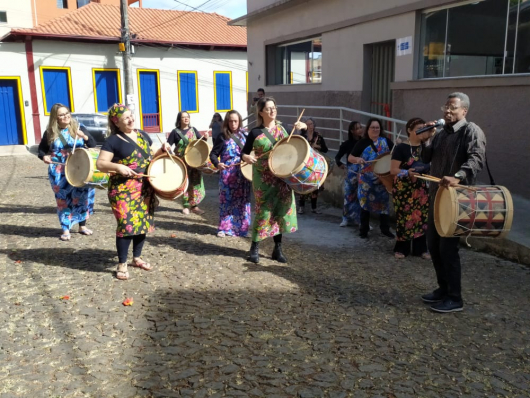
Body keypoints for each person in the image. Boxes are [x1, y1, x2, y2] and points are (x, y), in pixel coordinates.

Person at [420, 92, 486, 313]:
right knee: (433, 246)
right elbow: (426, 159)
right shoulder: (440, 134)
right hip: (436, 196)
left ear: (464, 111)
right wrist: (427, 138)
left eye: (453, 108)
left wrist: (457, 176)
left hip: (457, 200)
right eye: (446, 107)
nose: (447, 111)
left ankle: (455, 297)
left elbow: (476, 159)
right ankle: (443, 289)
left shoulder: (471, 131)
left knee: (448, 249)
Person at [96, 103, 168, 280]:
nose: (131, 119)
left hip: (144, 188)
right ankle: (122, 263)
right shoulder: (113, 140)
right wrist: (118, 166)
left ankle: (137, 257)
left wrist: (162, 150)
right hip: (122, 190)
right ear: (116, 121)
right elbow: (100, 164)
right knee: (127, 225)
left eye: (131, 115)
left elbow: (150, 158)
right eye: (126, 117)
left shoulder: (143, 135)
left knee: (142, 224)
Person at [241, 97, 305, 264]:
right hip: (263, 178)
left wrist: (302, 129)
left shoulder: (283, 130)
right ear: (261, 112)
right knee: (263, 211)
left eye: (274, 107)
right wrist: (246, 157)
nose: (272, 110)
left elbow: (292, 148)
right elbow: (244, 153)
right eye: (268, 108)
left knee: (279, 211)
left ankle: (277, 249)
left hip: (281, 177)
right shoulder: (255, 132)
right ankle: (254, 247)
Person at [38, 103, 97, 241]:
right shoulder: (50, 132)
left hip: (80, 168)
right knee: (63, 200)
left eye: (67, 113)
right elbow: (41, 150)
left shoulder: (79, 127)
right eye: (61, 115)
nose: (65, 116)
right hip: (59, 170)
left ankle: (82, 226)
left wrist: (84, 136)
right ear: (55, 118)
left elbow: (93, 145)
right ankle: (65, 228)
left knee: (82, 197)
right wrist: (44, 157)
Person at [390, 117, 431, 260]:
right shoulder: (402, 147)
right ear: (409, 131)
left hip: (421, 188)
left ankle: (420, 249)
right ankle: (402, 248)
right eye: (419, 129)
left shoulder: (425, 147)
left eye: (424, 129)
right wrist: (407, 172)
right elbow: (393, 170)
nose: (422, 132)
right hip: (404, 189)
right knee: (404, 218)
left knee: (421, 217)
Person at [348, 118, 394, 239]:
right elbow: (350, 157)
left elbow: (395, 155)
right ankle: (364, 230)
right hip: (366, 180)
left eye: (377, 127)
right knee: (364, 205)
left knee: (384, 206)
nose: (375, 129)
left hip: (382, 180)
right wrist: (358, 160)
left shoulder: (386, 141)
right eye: (372, 127)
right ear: (368, 129)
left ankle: (385, 229)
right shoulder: (362, 143)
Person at [210, 110, 252, 238]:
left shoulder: (245, 135)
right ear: (227, 122)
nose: (233, 123)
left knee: (242, 201)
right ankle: (224, 227)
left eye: (235, 121)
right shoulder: (222, 136)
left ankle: (242, 228)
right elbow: (213, 154)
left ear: (239, 121)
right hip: (227, 175)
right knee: (226, 201)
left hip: (243, 174)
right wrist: (217, 164)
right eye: (231, 121)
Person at [167, 111, 209, 215]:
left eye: (187, 117)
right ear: (179, 120)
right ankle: (186, 205)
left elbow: (200, 142)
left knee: (195, 183)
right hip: (182, 162)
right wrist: (171, 153)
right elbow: (168, 145)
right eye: (183, 117)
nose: (186, 119)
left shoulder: (193, 130)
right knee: (185, 183)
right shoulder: (175, 132)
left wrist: (205, 138)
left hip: (194, 162)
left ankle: (194, 206)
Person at [297, 117, 328, 214]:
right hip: (304, 163)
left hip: (315, 163)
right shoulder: (302, 136)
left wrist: (317, 146)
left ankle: (313, 207)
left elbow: (325, 149)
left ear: (314, 125)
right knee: (302, 184)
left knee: (315, 184)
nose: (310, 126)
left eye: (311, 124)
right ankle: (301, 207)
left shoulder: (318, 136)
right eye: (307, 124)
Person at [335, 121, 363, 227]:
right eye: (357, 128)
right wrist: (340, 164)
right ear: (352, 131)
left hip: (363, 172)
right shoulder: (347, 144)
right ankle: (346, 218)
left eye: (361, 127)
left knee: (361, 196)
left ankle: (361, 220)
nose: (360, 130)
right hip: (351, 171)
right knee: (349, 196)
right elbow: (337, 156)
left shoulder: (365, 142)